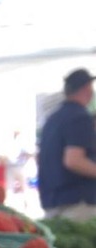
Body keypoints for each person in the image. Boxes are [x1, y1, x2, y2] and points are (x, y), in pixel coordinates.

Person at [37, 68, 96, 220]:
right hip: (77, 203)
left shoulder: (52, 119)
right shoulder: (80, 116)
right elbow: (74, 161)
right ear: (87, 89)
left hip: (52, 201)